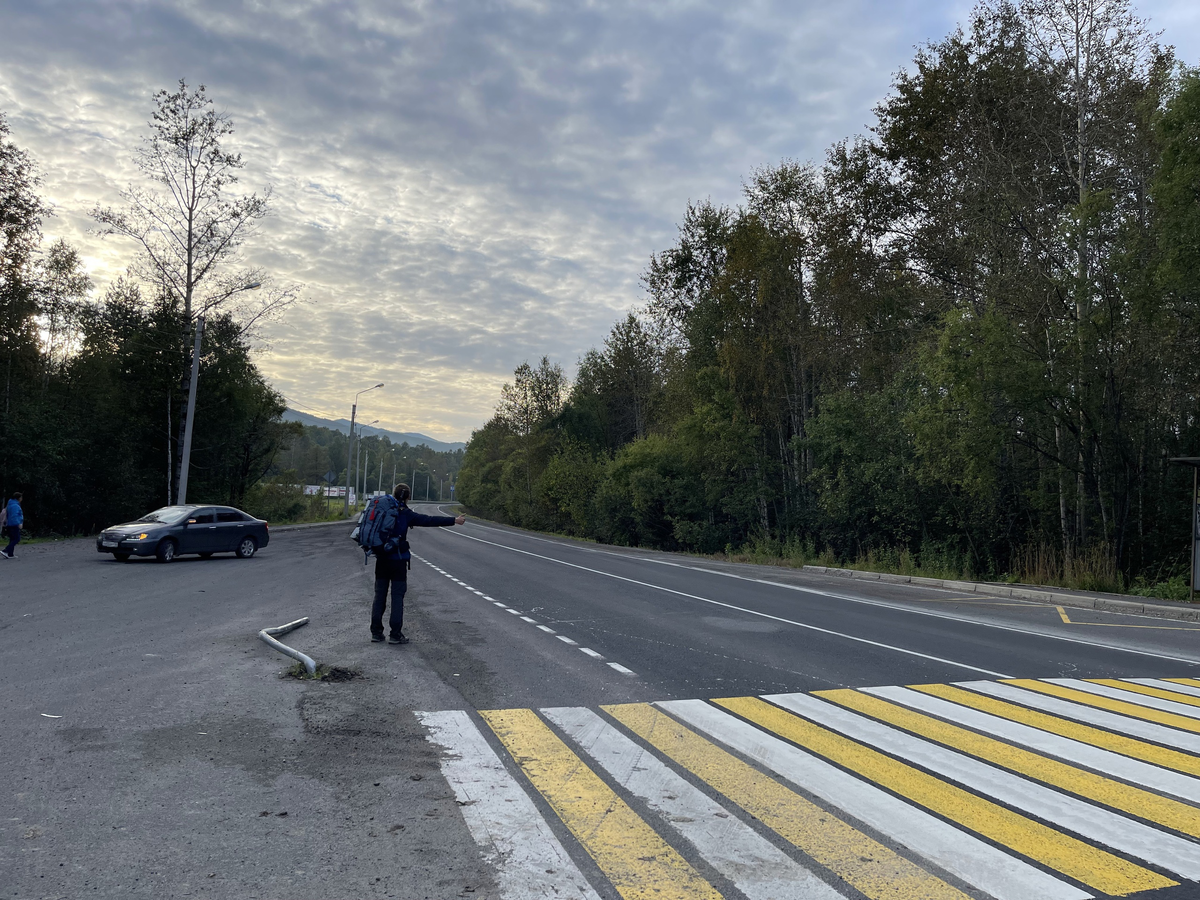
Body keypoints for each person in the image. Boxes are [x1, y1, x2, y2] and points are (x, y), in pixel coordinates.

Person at [371, 483, 465, 644]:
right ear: (408, 497)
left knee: (379, 595)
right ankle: (395, 634)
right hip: (398, 561)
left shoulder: (384, 511)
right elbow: (429, 520)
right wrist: (454, 520)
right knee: (397, 597)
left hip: (381, 559)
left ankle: (376, 632)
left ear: (394, 495)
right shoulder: (406, 514)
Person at [3, 492, 23, 559]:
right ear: (19, 498)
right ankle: (6, 550)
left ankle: (10, 554)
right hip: (14, 524)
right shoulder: (15, 506)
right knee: (17, 538)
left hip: (9, 524)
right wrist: (18, 523)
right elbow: (15, 515)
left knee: (12, 539)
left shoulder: (10, 504)